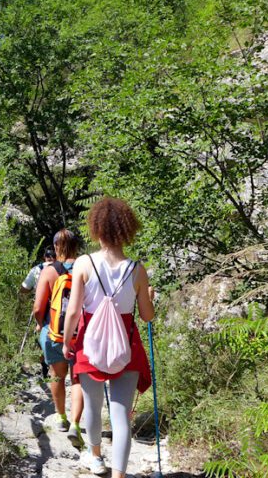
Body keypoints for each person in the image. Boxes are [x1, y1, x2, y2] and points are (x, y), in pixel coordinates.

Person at [63, 197, 155, 477]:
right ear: (127, 229)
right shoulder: (138, 270)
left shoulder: (83, 263)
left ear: (97, 228)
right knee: (120, 415)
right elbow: (147, 316)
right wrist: (150, 298)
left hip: (89, 344)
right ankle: (119, 475)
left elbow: (74, 311)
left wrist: (67, 341)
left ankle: (95, 457)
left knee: (92, 405)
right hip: (126, 345)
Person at [33, 230, 84, 436]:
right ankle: (76, 423)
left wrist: (41, 325)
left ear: (55, 248)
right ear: (77, 245)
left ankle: (61, 417)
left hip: (54, 332)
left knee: (57, 376)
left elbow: (38, 308)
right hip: (81, 333)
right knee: (78, 378)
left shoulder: (49, 271)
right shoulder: (86, 266)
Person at [22, 248, 56, 381]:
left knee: (40, 334)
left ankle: (44, 368)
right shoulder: (61, 268)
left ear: (44, 257)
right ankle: (55, 365)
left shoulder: (37, 269)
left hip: (41, 306)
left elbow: (25, 287)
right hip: (57, 306)